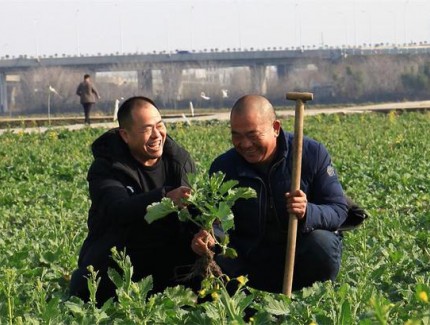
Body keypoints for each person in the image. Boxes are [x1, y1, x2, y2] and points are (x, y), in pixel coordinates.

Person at [192, 94, 349, 294]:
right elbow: (215, 222)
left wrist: (307, 212)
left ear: (275, 128)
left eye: (252, 134)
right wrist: (211, 237)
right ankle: (246, 311)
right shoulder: (223, 167)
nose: (245, 144)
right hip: (251, 257)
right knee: (215, 257)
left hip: (299, 254)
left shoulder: (310, 153)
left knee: (322, 243)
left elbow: (338, 209)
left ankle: (313, 299)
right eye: (236, 135)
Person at [70, 96, 198, 305]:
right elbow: (117, 209)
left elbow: (194, 213)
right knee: (86, 291)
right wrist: (165, 197)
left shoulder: (178, 161)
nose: (157, 135)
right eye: (147, 129)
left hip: (168, 256)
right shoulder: (108, 167)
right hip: (121, 260)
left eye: (160, 125)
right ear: (125, 135)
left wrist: (205, 236)